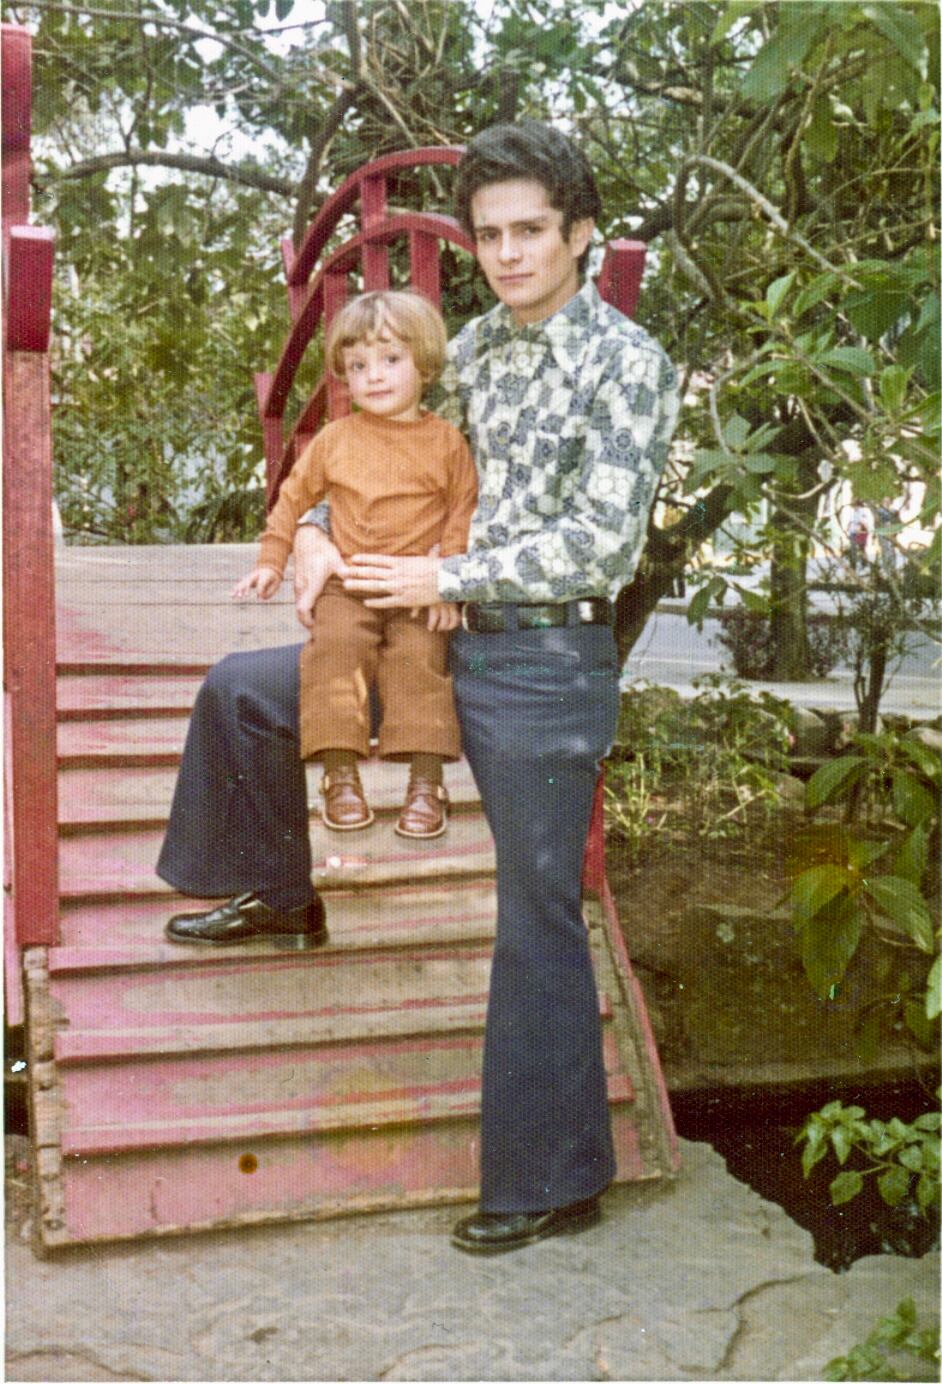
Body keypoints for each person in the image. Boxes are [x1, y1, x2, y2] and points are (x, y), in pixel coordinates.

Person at [157, 120, 679, 1250]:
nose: (508, 253)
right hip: (428, 639)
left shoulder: (629, 365)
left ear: (581, 235)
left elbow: (602, 544)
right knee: (246, 695)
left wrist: (445, 574)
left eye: (530, 230)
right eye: (489, 234)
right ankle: (280, 892)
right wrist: (315, 536)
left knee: (537, 914)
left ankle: (553, 1180)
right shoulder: (470, 349)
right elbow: (375, 455)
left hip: (543, 661)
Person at [231, 290, 477, 841]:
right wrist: (272, 560)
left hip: (413, 587)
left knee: (420, 659)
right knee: (334, 649)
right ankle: (339, 775)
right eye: (359, 366)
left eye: (391, 359)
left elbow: (461, 514)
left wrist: (448, 584)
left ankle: (426, 783)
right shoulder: (335, 439)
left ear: (424, 364)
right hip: (347, 581)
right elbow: (291, 499)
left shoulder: (446, 443)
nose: (374, 376)